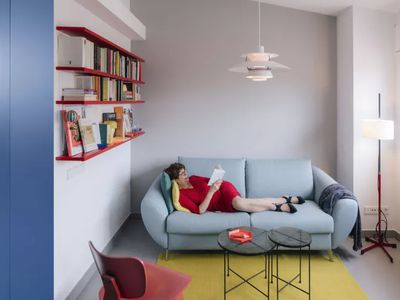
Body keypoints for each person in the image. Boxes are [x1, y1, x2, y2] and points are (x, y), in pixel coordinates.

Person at [164, 163, 305, 215]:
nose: (186, 175)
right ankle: (283, 200)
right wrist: (212, 191)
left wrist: (217, 175)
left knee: (239, 203)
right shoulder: (181, 196)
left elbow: (210, 181)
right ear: (175, 180)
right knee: (245, 203)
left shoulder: (194, 178)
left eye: (185, 172)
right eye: (182, 174)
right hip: (218, 202)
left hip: (225, 189)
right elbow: (200, 210)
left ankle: (277, 207)